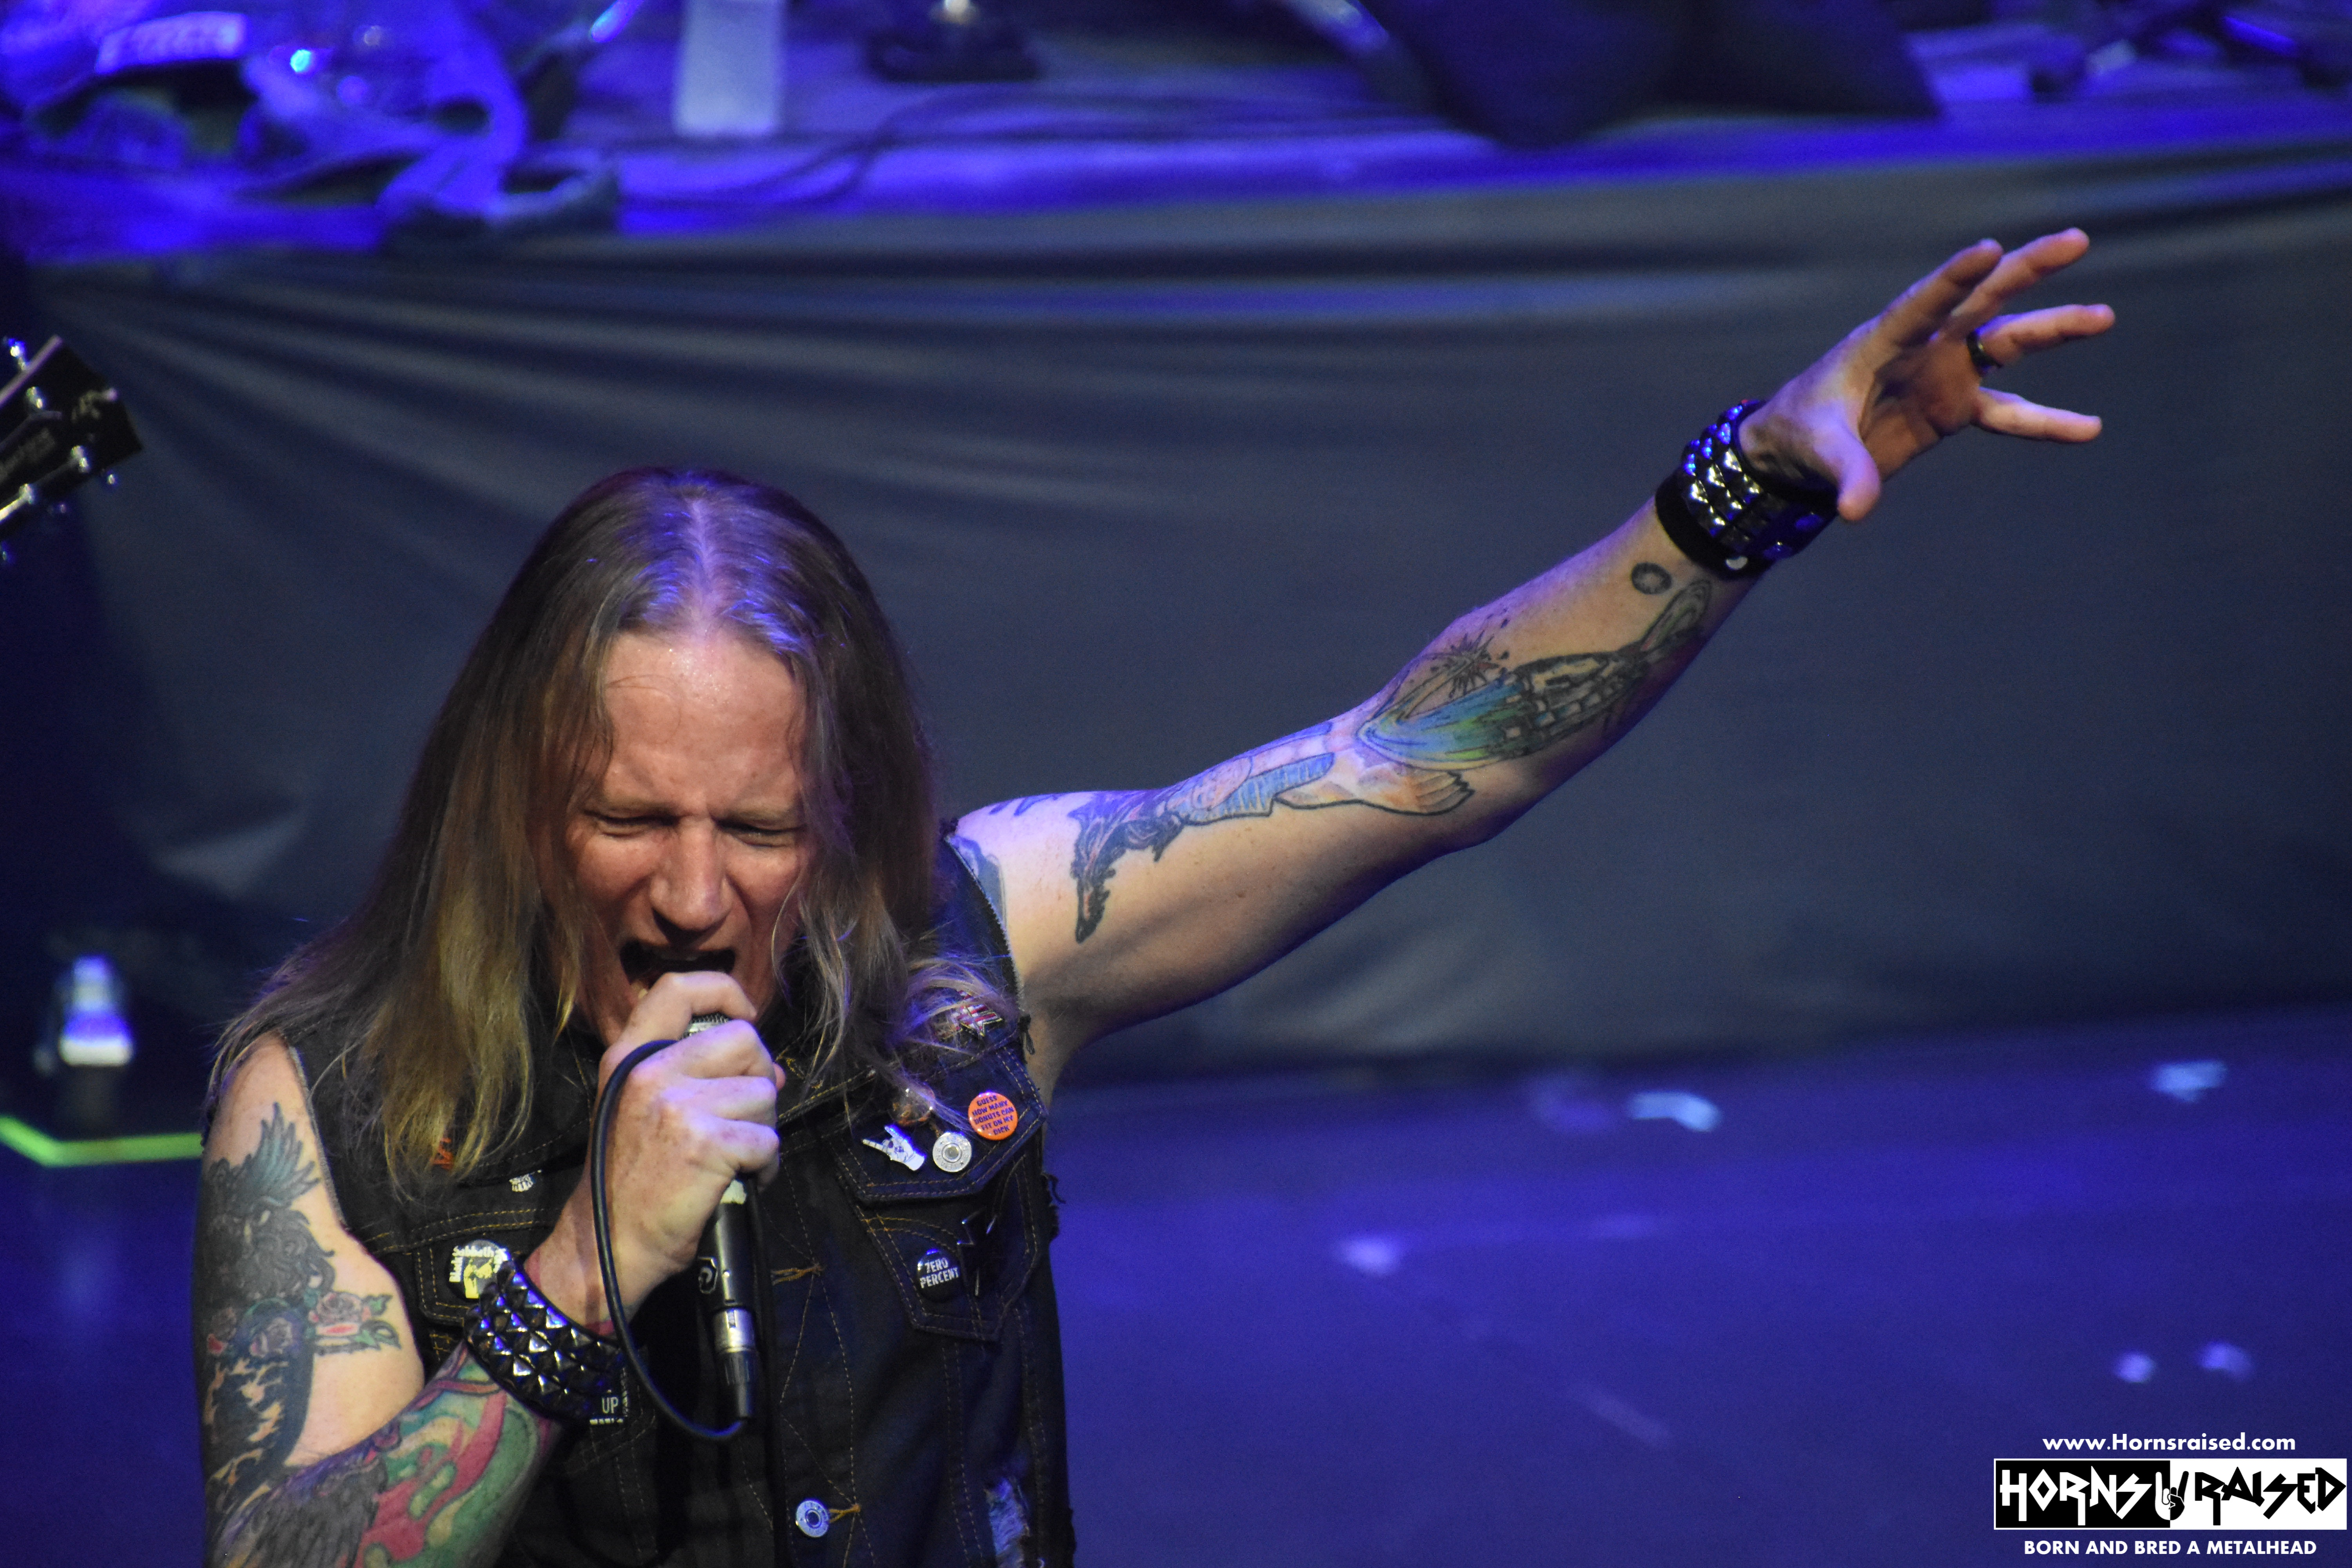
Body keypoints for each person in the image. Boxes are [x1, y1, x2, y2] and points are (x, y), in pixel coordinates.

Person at [195, 231, 2113, 1566]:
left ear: (842, 812)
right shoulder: (335, 1094)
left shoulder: (977, 953)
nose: (694, 892)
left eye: (760, 830)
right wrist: (580, 1271)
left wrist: (1745, 487)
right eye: (630, 817)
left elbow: (1423, 751)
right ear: (522, 794)